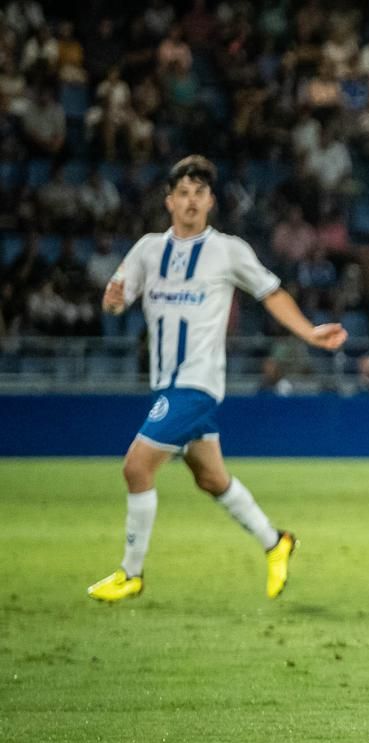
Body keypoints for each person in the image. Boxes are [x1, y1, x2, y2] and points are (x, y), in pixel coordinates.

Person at [87, 155, 348, 603]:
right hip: (166, 384)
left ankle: (131, 573)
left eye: (199, 194)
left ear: (210, 202)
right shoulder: (149, 250)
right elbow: (116, 300)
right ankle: (275, 541)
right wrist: (111, 300)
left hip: (198, 385)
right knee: (211, 479)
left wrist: (308, 331)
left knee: (136, 466)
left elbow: (271, 291)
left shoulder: (228, 250)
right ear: (169, 201)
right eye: (183, 194)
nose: (191, 201)